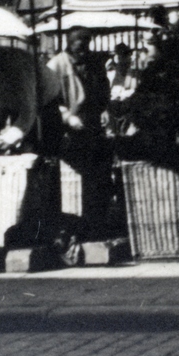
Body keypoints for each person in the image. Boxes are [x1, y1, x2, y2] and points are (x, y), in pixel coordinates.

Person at [48, 28, 113, 235]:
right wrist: (67, 116)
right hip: (69, 129)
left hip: (92, 125)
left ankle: (98, 223)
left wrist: (105, 110)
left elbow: (103, 91)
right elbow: (50, 101)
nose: (84, 51)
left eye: (87, 45)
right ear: (69, 44)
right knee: (85, 175)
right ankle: (85, 225)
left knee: (102, 174)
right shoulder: (56, 65)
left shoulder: (95, 64)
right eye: (79, 46)